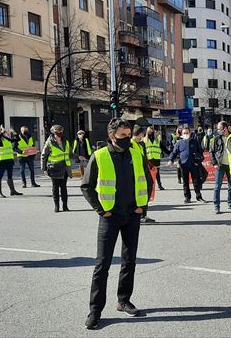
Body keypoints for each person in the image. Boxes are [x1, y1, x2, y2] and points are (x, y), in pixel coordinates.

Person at [81, 118, 153, 330]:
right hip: (110, 217)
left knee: (129, 261)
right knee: (102, 265)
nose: (127, 139)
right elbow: (86, 186)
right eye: (123, 136)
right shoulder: (100, 155)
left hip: (132, 215)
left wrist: (143, 207)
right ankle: (95, 311)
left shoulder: (136, 153)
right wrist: (101, 210)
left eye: (129, 135)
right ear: (112, 136)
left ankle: (123, 300)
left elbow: (147, 181)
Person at [168, 126, 206, 203]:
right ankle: (187, 197)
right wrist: (171, 160)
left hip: (193, 164)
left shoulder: (195, 142)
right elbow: (174, 152)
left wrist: (198, 158)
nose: (186, 134)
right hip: (184, 165)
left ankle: (199, 197)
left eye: (187, 133)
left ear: (190, 133)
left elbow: (201, 153)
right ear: (181, 134)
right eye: (184, 133)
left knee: (196, 182)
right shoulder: (179, 143)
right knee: (185, 182)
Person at [41, 125, 72, 212]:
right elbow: (44, 156)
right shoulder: (49, 143)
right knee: (55, 188)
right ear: (54, 133)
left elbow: (70, 152)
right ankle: (57, 206)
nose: (60, 133)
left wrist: (79, 156)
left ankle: (65, 206)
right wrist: (44, 169)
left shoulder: (65, 141)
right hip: (54, 168)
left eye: (61, 131)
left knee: (64, 188)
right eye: (58, 132)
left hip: (65, 168)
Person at [131, 125, 156, 224]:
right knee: (140, 193)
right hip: (137, 172)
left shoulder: (140, 144)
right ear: (139, 133)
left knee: (147, 190)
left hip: (143, 170)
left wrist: (149, 165)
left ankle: (143, 213)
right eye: (142, 133)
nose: (143, 135)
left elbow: (143, 157)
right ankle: (140, 214)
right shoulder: (131, 144)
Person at [0, 125, 23, 197]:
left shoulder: (5, 138)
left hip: (9, 159)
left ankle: (13, 191)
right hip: (1, 160)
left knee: (10, 176)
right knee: (0, 176)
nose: (4, 131)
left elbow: (17, 140)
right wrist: (1, 132)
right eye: (1, 130)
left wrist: (14, 132)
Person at [210, 121, 231, 214]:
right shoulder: (216, 139)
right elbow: (211, 152)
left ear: (225, 128)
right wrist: (214, 163)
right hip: (220, 165)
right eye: (218, 129)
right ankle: (217, 206)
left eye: (220, 129)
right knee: (217, 186)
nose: (218, 130)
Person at [143, 126, 170, 190]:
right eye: (150, 131)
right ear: (147, 132)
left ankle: (159, 185)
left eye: (152, 131)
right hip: (148, 159)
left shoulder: (157, 140)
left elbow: (164, 149)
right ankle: (149, 185)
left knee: (157, 173)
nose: (151, 132)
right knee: (148, 174)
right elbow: (143, 150)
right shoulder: (144, 140)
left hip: (156, 159)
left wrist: (171, 154)